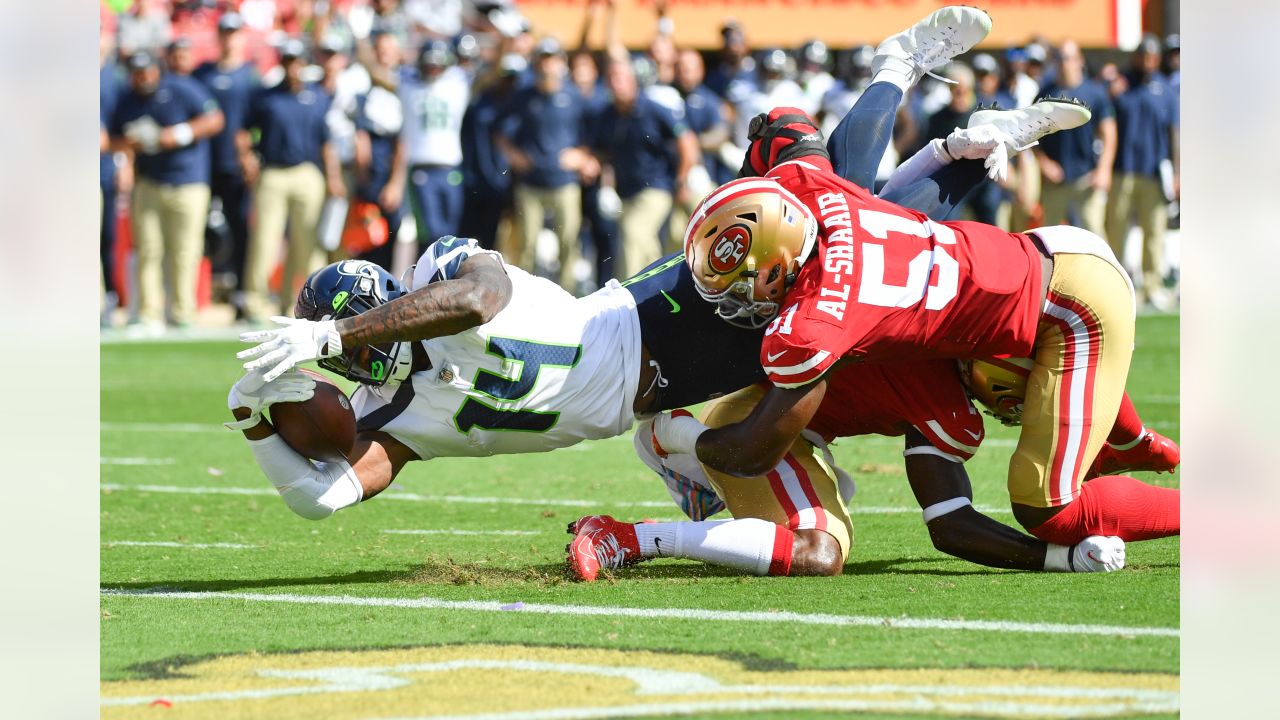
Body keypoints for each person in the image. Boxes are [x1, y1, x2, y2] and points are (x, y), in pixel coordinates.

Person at [224, 7, 1110, 576]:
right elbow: (323, 494)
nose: (362, 356)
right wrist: (255, 417)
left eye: (361, 337)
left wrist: (334, 343)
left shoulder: (441, 278)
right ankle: (954, 140)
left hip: (654, 317)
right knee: (859, 224)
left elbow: (478, 301)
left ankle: (911, 89)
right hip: (660, 388)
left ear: (378, 314)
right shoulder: (398, 415)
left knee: (835, 225)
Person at [650, 8, 1180, 563]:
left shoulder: (832, 311)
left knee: (1048, 505)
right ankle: (927, 102)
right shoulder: (825, 214)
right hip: (1049, 269)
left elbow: (784, 128)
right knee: (856, 204)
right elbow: (792, 132)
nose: (1006, 408)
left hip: (1069, 294)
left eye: (1011, 400)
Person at [108, 50, 225, 334]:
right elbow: (113, 139)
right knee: (148, 249)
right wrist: (131, 145)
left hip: (188, 182)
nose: (143, 78)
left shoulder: (181, 88)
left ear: (157, 71)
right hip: (149, 182)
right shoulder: (128, 99)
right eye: (137, 74)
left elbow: (214, 119)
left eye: (146, 72)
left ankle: (182, 312)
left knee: (185, 251)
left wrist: (179, 133)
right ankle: (148, 314)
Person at [239, 39, 345, 322]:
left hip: (308, 173)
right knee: (265, 240)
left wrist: (333, 177)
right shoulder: (265, 96)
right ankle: (255, 302)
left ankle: (302, 304)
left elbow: (326, 142)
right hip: (272, 171)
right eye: (287, 61)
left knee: (307, 245)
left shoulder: (318, 96)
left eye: (296, 60)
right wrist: (247, 158)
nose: (293, 66)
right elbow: (245, 132)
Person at [589, 57, 699, 279]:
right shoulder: (607, 115)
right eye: (610, 78)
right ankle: (659, 294)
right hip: (626, 192)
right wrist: (606, 185)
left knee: (632, 233)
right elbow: (604, 155)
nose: (615, 82)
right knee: (646, 247)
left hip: (656, 188)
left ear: (632, 80)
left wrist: (682, 180)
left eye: (619, 77)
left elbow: (688, 143)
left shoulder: (654, 109)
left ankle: (626, 298)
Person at [494, 37, 590, 290]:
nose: (548, 66)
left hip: (564, 182)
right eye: (543, 60)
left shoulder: (574, 96)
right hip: (531, 183)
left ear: (562, 63)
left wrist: (582, 155)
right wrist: (512, 154)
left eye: (553, 59)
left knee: (569, 244)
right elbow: (499, 130)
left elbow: (591, 134)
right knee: (526, 246)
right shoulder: (523, 96)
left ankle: (569, 298)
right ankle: (524, 299)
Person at [1105, 34, 1179, 310]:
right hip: (1123, 169)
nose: (1147, 61)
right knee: (1117, 230)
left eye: (1152, 56)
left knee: (1154, 231)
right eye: (1143, 55)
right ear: (1135, 57)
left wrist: (1178, 172)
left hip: (1153, 171)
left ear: (1157, 59)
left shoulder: (1165, 89)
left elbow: (1174, 132)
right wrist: (1111, 90)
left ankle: (1152, 285)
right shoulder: (1121, 83)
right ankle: (1115, 286)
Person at [193, 11, 260, 313]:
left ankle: (242, 296)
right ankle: (195, 297)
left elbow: (259, 121)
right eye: (225, 32)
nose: (229, 38)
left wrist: (251, 154)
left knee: (240, 232)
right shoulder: (202, 74)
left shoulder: (251, 76)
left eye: (234, 32)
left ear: (241, 36)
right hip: (203, 164)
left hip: (235, 168)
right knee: (197, 232)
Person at [1033, 40, 1114, 236]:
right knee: (1048, 237)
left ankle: (1099, 268)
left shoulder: (1095, 93)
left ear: (1079, 61)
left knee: (1094, 235)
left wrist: (1104, 169)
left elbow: (1109, 133)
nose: (1063, 63)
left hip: (1086, 178)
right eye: (1059, 58)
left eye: (1068, 58)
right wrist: (1044, 164)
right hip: (1055, 180)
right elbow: (1030, 135)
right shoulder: (1045, 93)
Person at [397, 39, 470, 250]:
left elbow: (490, 74)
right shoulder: (408, 86)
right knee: (429, 236)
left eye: (438, 63)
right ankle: (427, 280)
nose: (433, 68)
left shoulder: (457, 85)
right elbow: (379, 74)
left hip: (451, 167)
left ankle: (447, 280)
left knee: (450, 235)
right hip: (421, 169)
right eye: (429, 63)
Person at [350, 32, 408, 271]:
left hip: (389, 168)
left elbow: (403, 141)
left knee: (390, 236)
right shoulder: (363, 89)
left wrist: (395, 182)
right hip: (370, 173)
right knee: (366, 237)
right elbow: (361, 134)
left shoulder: (405, 88)